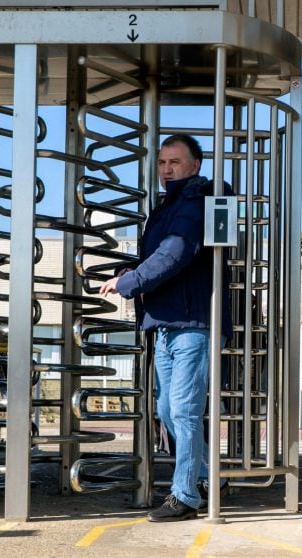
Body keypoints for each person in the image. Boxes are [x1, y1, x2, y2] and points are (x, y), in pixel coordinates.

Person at [100, 133, 232, 522]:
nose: (166, 169)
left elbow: (174, 254)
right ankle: (209, 477)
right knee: (167, 409)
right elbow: (154, 257)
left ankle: (185, 495)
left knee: (185, 411)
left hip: (193, 322)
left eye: (174, 162)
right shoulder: (167, 206)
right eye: (161, 162)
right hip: (167, 321)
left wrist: (129, 283)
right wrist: (132, 270)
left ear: (195, 165)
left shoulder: (193, 203)